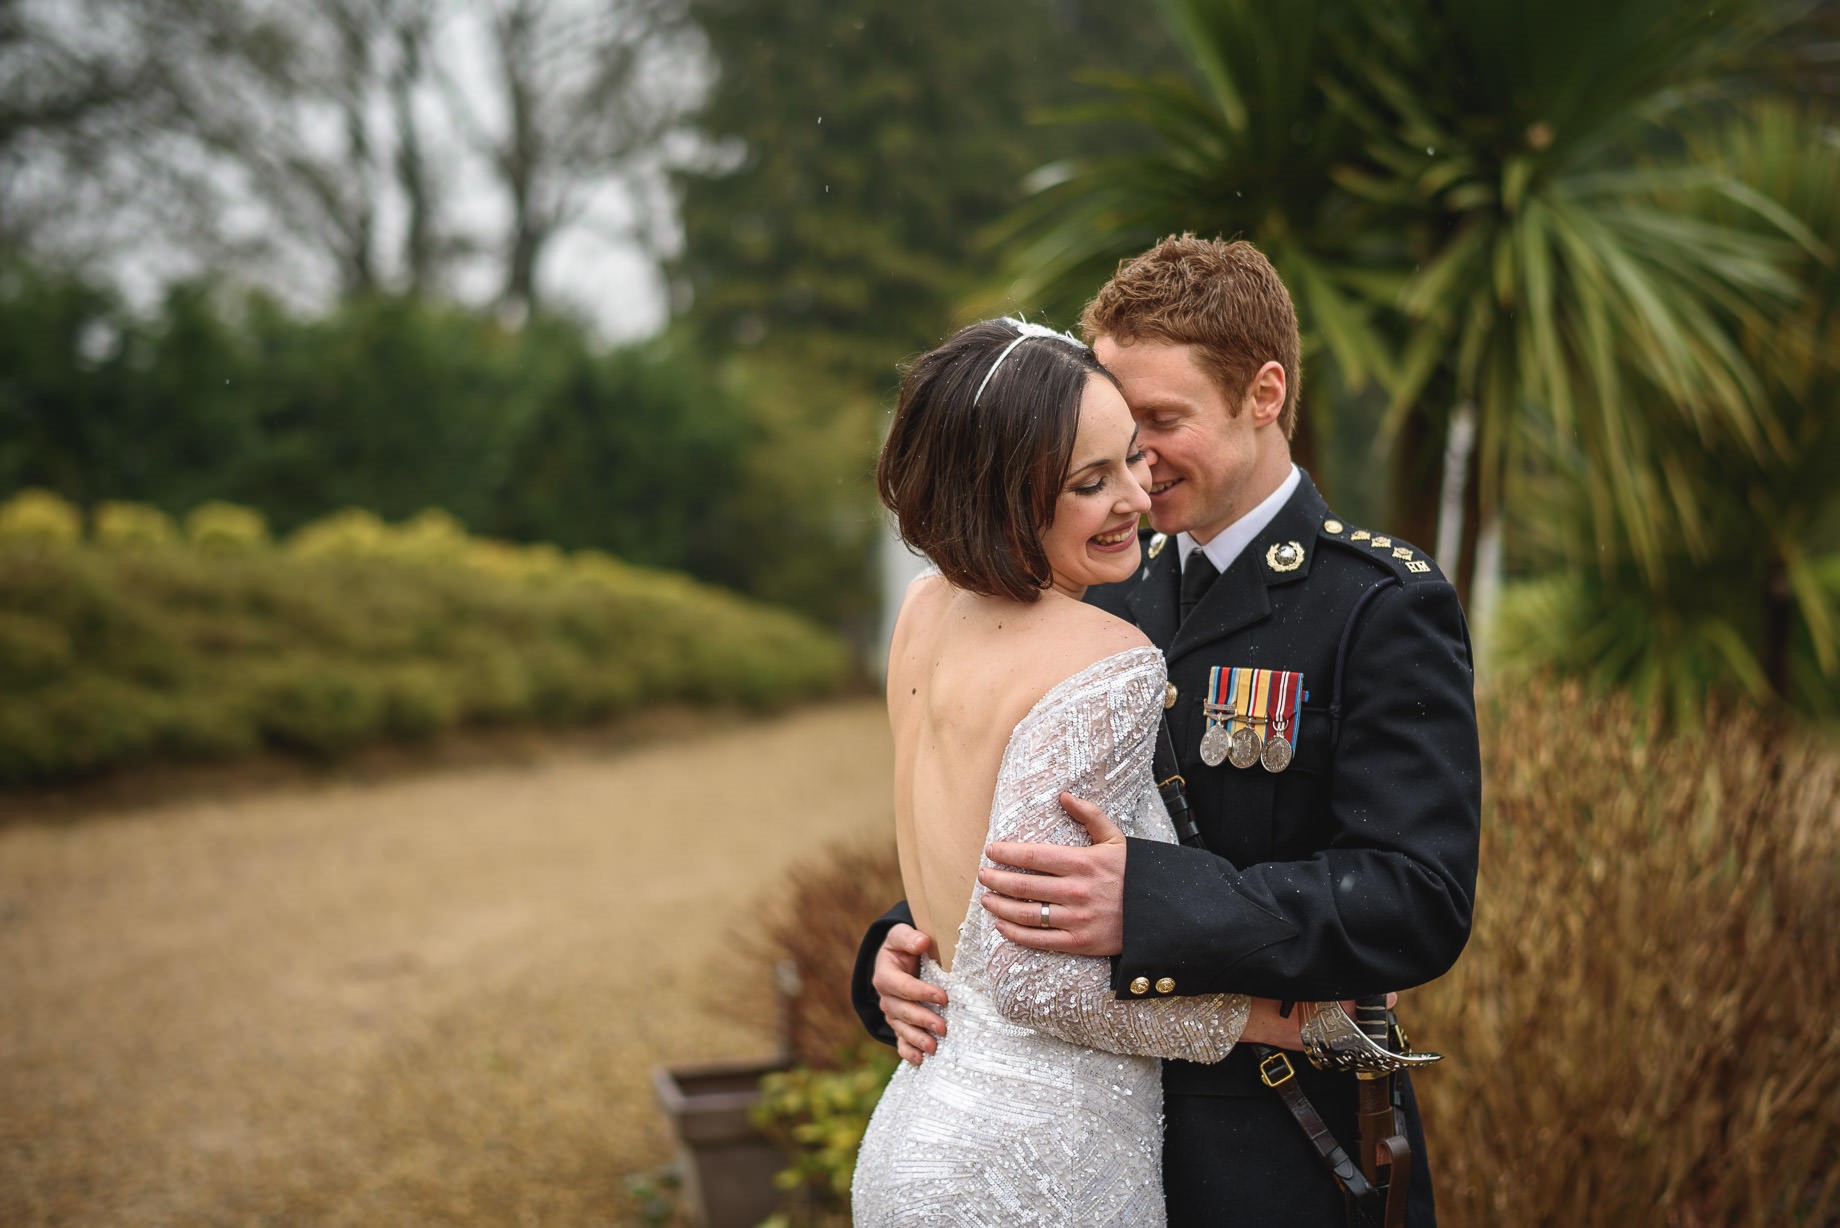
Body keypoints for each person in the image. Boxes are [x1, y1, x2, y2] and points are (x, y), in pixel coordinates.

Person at [854, 237, 1483, 1227]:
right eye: (1115, 427)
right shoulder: (1095, 576)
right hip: (1083, 1144)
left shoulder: (1374, 604)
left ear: (1263, 394)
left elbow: (1416, 900)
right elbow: (1025, 839)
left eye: (1160, 421)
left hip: (1275, 1155)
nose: (1137, 467)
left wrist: (1152, 901)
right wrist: (899, 948)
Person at [850, 317, 1313, 1227]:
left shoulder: (922, 609)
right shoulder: (1105, 656)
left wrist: (895, 949)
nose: (1137, 495)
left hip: (919, 1130)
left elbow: (969, 882)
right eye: (1089, 483)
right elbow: (1032, 982)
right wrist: (1276, 1019)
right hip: (1033, 1164)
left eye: (1132, 457)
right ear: (1001, 495)